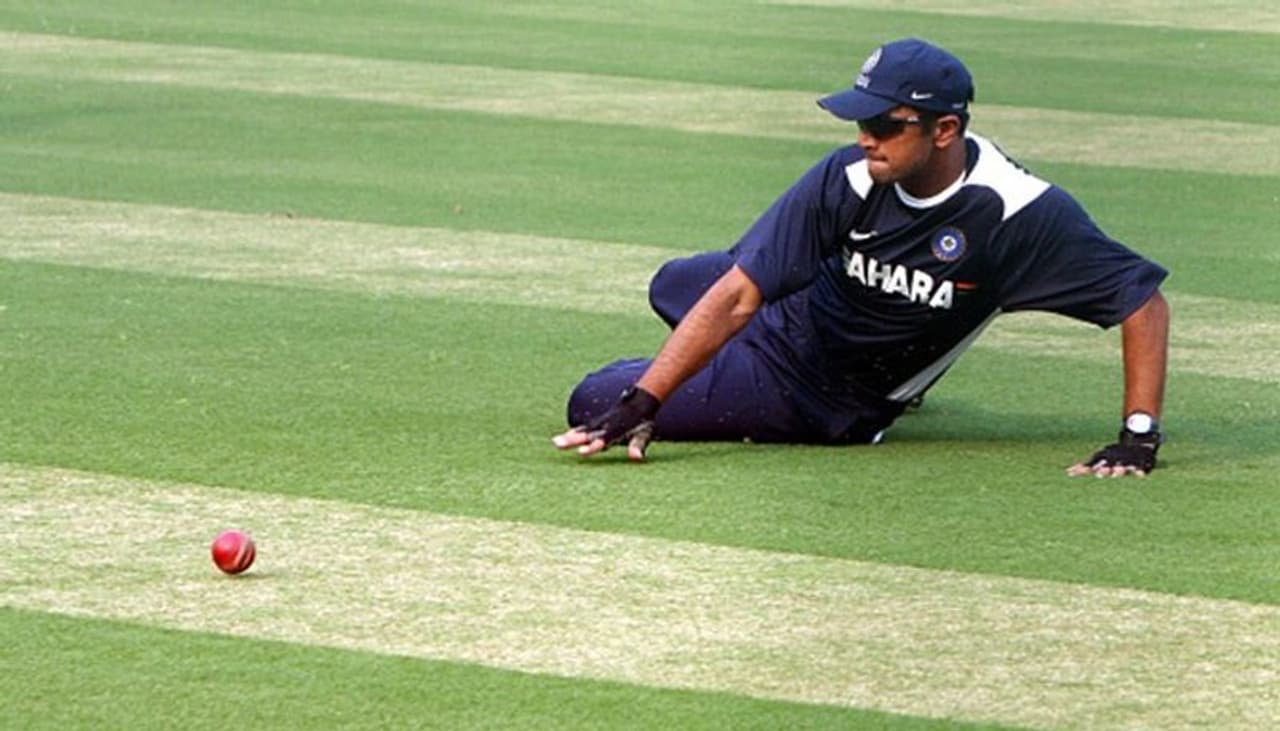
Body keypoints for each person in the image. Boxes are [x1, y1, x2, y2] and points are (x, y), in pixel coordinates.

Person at [553, 38, 1170, 477]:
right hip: (794, 312)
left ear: (944, 131)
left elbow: (1142, 302)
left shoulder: (1019, 213)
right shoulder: (849, 173)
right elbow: (740, 293)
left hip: (823, 393)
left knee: (594, 399)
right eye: (860, 121)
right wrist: (650, 396)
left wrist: (1137, 438)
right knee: (674, 283)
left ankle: (732, 368)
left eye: (884, 125)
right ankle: (720, 356)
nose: (865, 139)